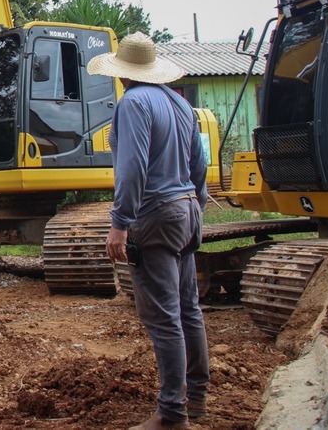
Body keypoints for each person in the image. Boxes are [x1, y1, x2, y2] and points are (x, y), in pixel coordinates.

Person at [87, 32, 210, 430]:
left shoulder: (133, 103)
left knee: (164, 317)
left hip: (155, 215)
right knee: (189, 309)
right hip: (186, 209)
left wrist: (120, 223)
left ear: (122, 73)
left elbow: (132, 168)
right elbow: (199, 165)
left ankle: (172, 414)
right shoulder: (180, 103)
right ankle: (197, 397)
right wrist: (195, 206)